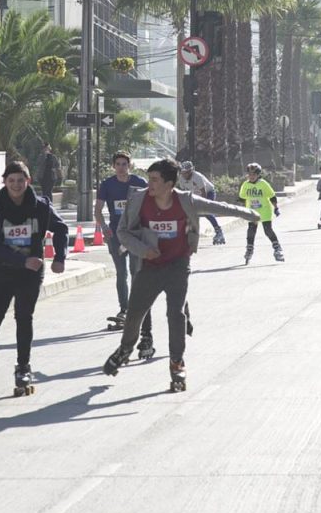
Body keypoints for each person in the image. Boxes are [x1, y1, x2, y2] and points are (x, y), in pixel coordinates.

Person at [102, 158, 260, 391]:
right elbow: (122, 232)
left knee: (175, 314)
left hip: (177, 265)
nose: (150, 185)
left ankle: (177, 363)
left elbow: (219, 208)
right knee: (135, 312)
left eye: (154, 180)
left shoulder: (186, 201)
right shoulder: (138, 200)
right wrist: (143, 250)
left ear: (169, 184)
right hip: (149, 265)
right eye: (149, 179)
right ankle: (126, 348)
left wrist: (248, 213)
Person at [0, 161, 69, 396]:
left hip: (30, 273)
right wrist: (22, 260)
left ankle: (23, 367)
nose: (16, 185)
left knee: (23, 317)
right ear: (5, 182)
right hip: (2, 270)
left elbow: (61, 228)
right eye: (12, 181)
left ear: (28, 181)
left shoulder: (40, 206)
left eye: (21, 180)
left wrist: (60, 257)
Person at [94, 151, 153, 346]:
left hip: (135, 234)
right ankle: (124, 308)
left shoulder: (138, 182)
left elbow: (150, 202)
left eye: (124, 164)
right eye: (118, 164)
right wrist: (104, 229)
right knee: (121, 273)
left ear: (130, 165)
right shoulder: (107, 185)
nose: (121, 167)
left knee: (136, 272)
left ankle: (136, 308)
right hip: (116, 235)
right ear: (113, 166)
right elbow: (98, 209)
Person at [238, 162, 283, 264]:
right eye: (249, 175)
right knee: (251, 231)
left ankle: (277, 248)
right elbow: (242, 198)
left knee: (267, 230)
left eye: (253, 175)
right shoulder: (245, 184)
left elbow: (272, 196)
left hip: (264, 211)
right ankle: (249, 249)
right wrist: (241, 210)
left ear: (258, 175)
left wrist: (276, 208)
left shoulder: (263, 184)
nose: (251, 177)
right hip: (252, 211)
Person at [177, 161, 225, 245]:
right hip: (194, 194)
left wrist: (203, 205)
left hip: (208, 192)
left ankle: (219, 232)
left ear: (191, 171)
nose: (184, 175)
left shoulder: (197, 177)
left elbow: (204, 192)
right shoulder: (181, 178)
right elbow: (184, 192)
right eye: (183, 172)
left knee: (207, 212)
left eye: (186, 173)